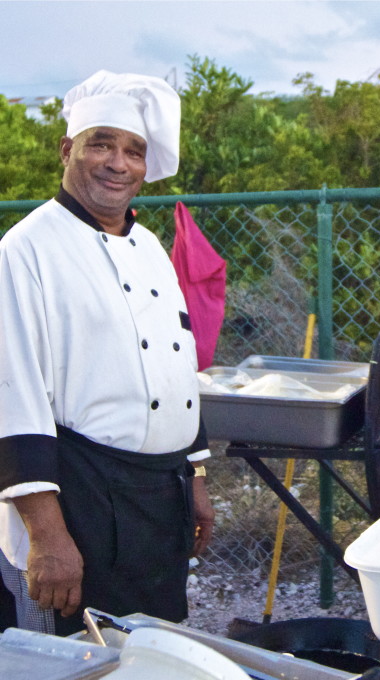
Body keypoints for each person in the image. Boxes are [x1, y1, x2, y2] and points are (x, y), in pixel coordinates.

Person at [0, 70, 215, 636]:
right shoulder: (24, 251)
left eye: (133, 151)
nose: (118, 163)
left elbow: (173, 370)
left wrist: (193, 478)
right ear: (67, 149)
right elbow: (12, 396)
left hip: (158, 492)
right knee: (87, 658)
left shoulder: (149, 246)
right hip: (82, 495)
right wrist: (48, 537)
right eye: (101, 144)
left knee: (157, 649)